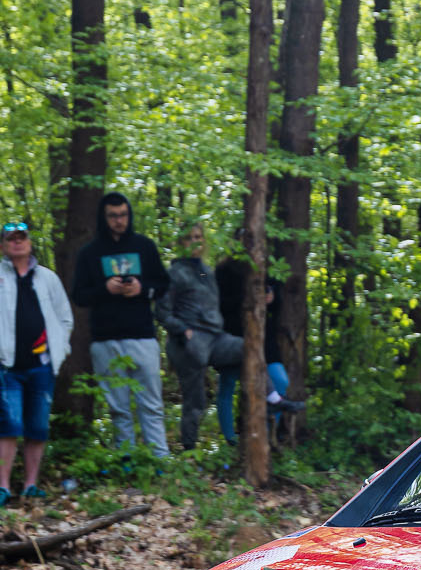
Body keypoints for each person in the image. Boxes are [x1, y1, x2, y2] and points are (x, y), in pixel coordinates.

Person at [0, 221, 73, 504]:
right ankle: (3, 486)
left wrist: (60, 348)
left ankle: (30, 484)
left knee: (38, 425)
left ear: (30, 243)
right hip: (6, 364)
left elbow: (64, 317)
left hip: (42, 363)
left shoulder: (47, 278)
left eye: (22, 237)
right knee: (10, 423)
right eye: (11, 238)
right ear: (1, 245)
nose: (17, 242)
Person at [72, 190, 170, 456]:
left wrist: (142, 289)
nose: (119, 221)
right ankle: (125, 461)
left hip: (142, 336)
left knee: (151, 405)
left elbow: (163, 285)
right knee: (118, 408)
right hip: (106, 340)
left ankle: (160, 462)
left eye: (123, 215)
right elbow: (79, 295)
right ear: (103, 218)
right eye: (113, 216)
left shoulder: (144, 246)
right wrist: (105, 289)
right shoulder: (89, 253)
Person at [156, 221, 245, 449]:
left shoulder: (206, 271)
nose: (195, 242)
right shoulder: (174, 273)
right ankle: (189, 451)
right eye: (189, 238)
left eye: (198, 237)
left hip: (215, 339)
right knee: (195, 401)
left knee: (249, 348)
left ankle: (273, 399)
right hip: (188, 344)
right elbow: (162, 312)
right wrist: (183, 331)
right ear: (181, 243)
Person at [216, 258, 304, 438]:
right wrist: (249, 299)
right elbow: (219, 304)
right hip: (233, 337)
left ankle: (267, 433)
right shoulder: (224, 270)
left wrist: (270, 298)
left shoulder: (265, 265)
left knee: (280, 380)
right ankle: (230, 438)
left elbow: (277, 303)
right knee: (228, 385)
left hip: (264, 339)